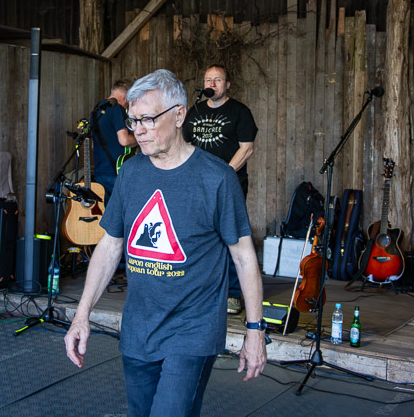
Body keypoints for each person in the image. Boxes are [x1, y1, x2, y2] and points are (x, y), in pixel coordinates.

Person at [64, 69, 267, 416]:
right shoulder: (131, 173)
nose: (138, 130)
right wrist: (81, 315)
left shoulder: (217, 179)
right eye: (133, 120)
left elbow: (244, 258)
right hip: (139, 330)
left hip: (193, 330)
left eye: (148, 119)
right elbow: (110, 247)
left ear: (179, 115)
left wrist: (255, 330)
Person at [184, 64, 258, 315]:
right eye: (208, 79)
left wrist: (222, 175)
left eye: (217, 80)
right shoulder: (194, 111)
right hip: (197, 186)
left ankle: (233, 294)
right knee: (198, 236)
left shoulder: (240, 112)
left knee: (232, 236)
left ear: (227, 85)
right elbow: (183, 144)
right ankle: (201, 290)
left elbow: (247, 148)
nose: (212, 84)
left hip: (229, 185)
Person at [90, 79, 138, 204]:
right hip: (115, 171)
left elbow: (93, 145)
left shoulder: (96, 111)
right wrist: (139, 139)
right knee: (123, 210)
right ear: (125, 96)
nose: (128, 104)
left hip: (100, 171)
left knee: (106, 211)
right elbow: (124, 140)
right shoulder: (116, 108)